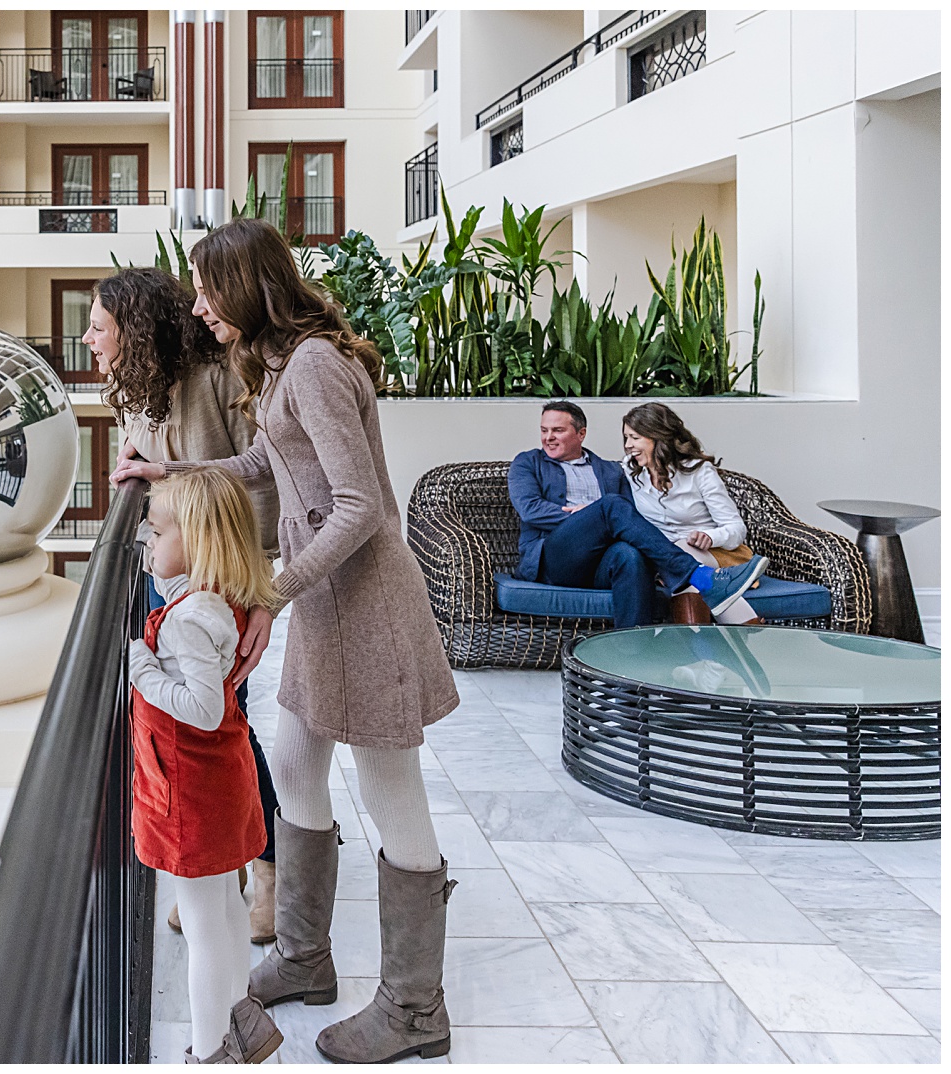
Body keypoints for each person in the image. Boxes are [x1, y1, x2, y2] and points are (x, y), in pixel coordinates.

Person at [113, 218, 461, 1064]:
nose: (197, 308)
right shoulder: (278, 364)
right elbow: (265, 467)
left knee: (392, 795)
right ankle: (305, 957)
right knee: (299, 764)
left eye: (206, 290)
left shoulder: (311, 365)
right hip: (327, 603)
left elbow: (361, 506)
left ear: (244, 287)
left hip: (367, 605)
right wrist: (173, 475)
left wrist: (275, 587)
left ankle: (417, 1010)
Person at [84, 267, 283, 944]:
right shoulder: (145, 388)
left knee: (229, 729)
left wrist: (260, 597)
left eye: (99, 326)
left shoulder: (221, 382)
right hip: (177, 579)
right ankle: (223, 869)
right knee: (202, 730)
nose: (88, 339)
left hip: (224, 582)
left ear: (134, 331)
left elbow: (261, 487)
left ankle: (269, 876)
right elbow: (146, 450)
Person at [127, 466, 284, 1064]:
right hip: (220, 779)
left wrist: (141, 667)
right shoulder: (219, 600)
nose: (147, 539)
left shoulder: (191, 619)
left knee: (201, 922)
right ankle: (241, 1022)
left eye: (158, 531)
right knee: (223, 908)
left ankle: (210, 1049)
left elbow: (199, 705)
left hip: (191, 790)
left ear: (198, 541)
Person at [508, 400, 768, 628]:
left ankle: (633, 656)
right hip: (555, 556)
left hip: (600, 562)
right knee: (611, 506)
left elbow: (630, 520)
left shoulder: (615, 470)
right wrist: (590, 515)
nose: (548, 437)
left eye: (558, 430)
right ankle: (702, 577)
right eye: (544, 431)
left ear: (581, 433)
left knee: (629, 556)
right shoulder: (528, 463)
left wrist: (603, 516)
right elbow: (531, 510)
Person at [622, 402, 761, 625]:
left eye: (635, 438)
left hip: (711, 553)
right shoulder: (632, 470)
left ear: (658, 438)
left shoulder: (699, 471)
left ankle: (696, 650)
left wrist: (709, 536)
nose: (628, 445)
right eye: (626, 438)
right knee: (678, 560)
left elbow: (736, 529)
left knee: (684, 556)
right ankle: (750, 633)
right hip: (662, 557)